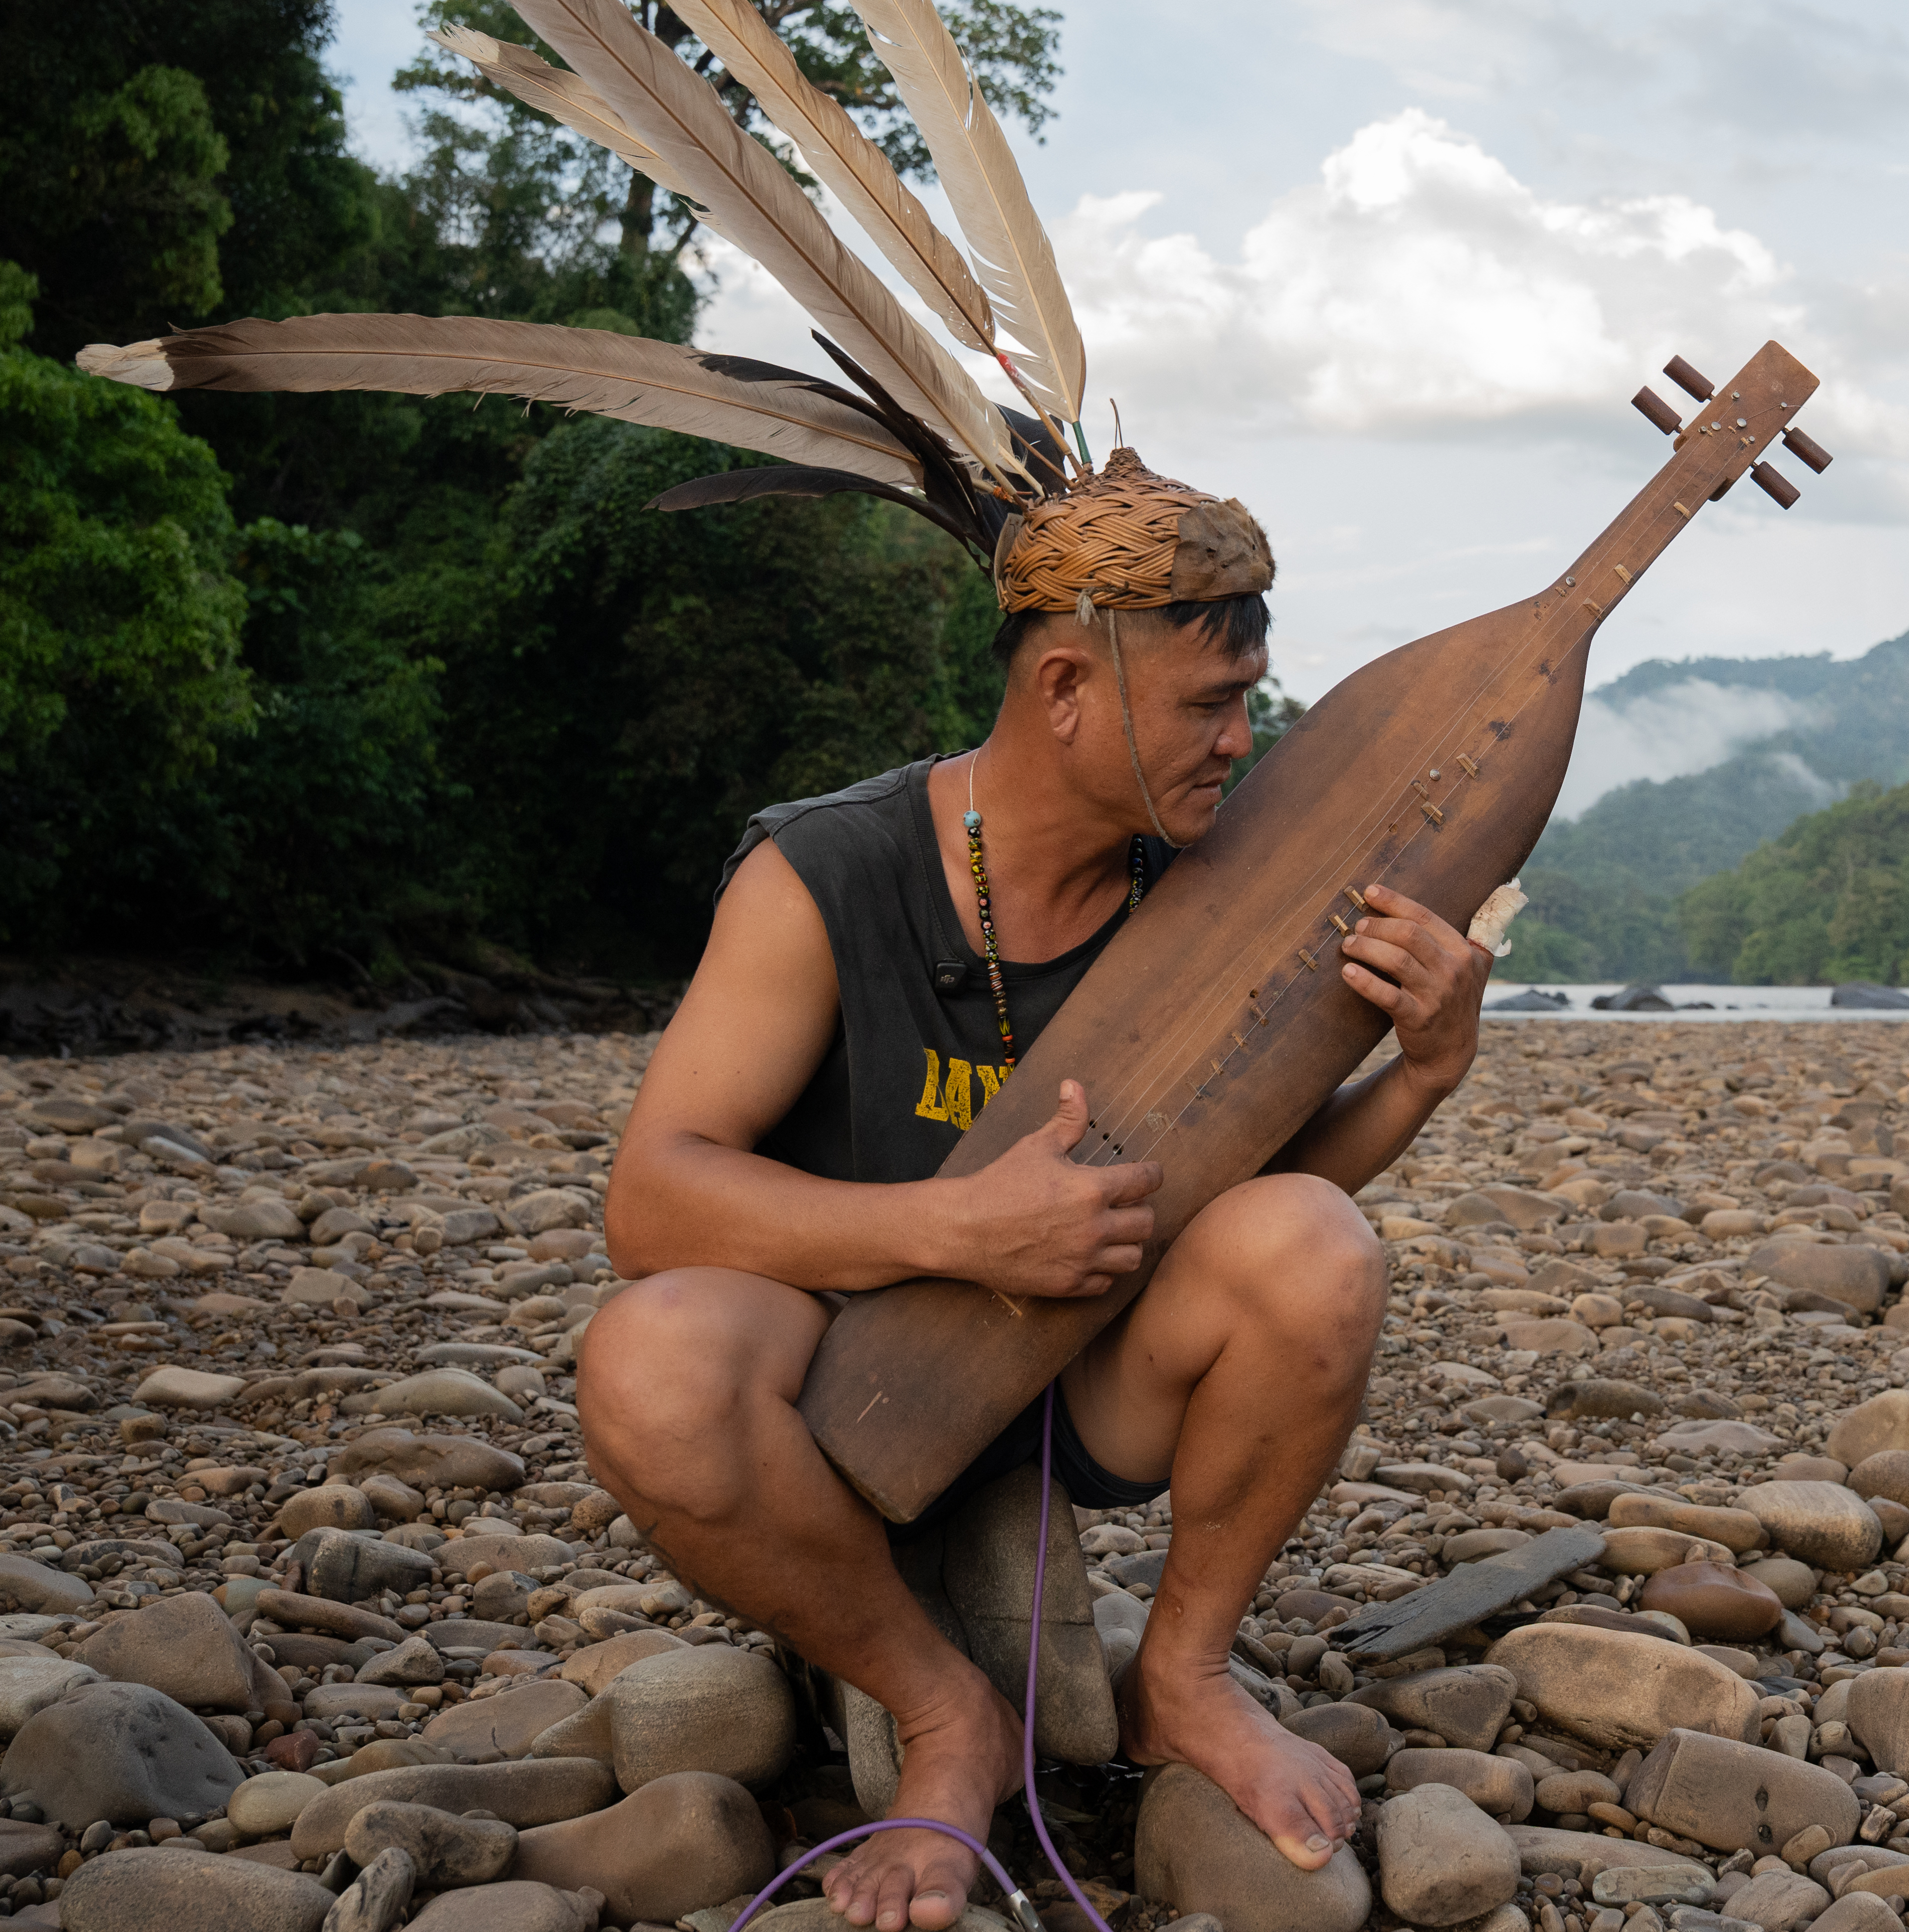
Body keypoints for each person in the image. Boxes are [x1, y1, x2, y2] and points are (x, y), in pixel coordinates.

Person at [575, 453, 1495, 1932]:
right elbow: (653, 1204)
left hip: (1082, 1386)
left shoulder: (1193, 892)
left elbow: (1242, 1206)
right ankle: (944, 1716)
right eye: (1210, 705)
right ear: (1066, 686)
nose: (1239, 744)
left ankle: (1180, 1681)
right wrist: (947, 1227)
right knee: (649, 1361)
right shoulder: (830, 874)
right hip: (838, 1400)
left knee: (1316, 1250)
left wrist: (1421, 1074)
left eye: (1249, 701)